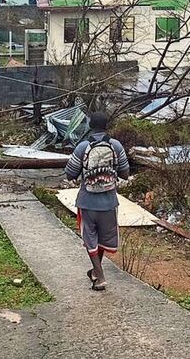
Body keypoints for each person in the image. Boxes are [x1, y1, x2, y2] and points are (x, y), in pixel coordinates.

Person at [64, 111, 129, 291]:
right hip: (109, 202)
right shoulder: (116, 146)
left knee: (90, 238)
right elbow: (125, 173)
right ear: (107, 126)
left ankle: (99, 277)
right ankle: (95, 271)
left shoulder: (82, 147)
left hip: (87, 202)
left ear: (90, 126)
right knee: (102, 238)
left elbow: (70, 174)